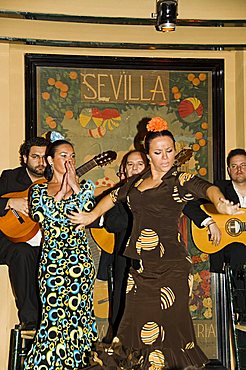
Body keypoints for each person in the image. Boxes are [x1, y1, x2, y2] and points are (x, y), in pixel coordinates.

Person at [68, 117, 243, 370]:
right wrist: (90, 216)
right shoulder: (137, 182)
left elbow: (206, 189)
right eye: (158, 152)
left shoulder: (180, 180)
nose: (165, 157)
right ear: (148, 155)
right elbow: (114, 196)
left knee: (170, 331)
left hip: (171, 268)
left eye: (169, 151)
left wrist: (221, 203)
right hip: (139, 269)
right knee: (130, 327)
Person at [24, 139, 98, 369]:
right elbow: (40, 216)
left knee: (80, 319)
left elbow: (87, 214)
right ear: (50, 160)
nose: (69, 160)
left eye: (72, 156)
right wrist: (61, 193)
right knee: (54, 319)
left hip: (80, 261)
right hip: (53, 262)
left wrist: (74, 187)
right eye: (64, 155)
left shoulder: (86, 187)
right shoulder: (38, 190)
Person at [183, 148, 246, 321]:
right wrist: (208, 222)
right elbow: (188, 204)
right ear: (228, 170)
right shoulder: (219, 190)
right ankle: (240, 312)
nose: (239, 170)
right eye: (234, 166)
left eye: (243, 165)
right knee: (238, 249)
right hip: (226, 254)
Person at [96, 150, 149, 341]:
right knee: (121, 304)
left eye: (140, 164)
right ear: (124, 170)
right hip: (125, 258)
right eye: (130, 165)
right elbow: (112, 223)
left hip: (154, 258)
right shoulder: (118, 194)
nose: (135, 168)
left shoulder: (159, 191)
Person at [0, 136, 49, 330]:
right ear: (24, 158)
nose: (41, 162)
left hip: (42, 241)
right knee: (23, 252)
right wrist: (9, 203)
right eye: (35, 157)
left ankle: (53, 321)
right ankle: (30, 322)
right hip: (9, 240)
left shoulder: (55, 181)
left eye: (45, 157)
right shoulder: (9, 178)